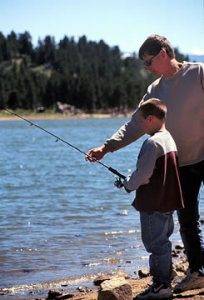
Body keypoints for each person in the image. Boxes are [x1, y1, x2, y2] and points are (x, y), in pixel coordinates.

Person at [86, 34, 204, 293]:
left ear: (163, 54)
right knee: (188, 220)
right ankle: (197, 272)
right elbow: (135, 124)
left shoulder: (199, 73)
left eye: (148, 62)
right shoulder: (155, 91)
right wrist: (107, 147)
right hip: (181, 165)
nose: (146, 68)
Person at [115, 98, 184, 299]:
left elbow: (142, 176)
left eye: (141, 121)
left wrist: (127, 184)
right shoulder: (168, 138)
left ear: (151, 119)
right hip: (167, 201)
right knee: (162, 241)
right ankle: (163, 280)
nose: (140, 125)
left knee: (155, 244)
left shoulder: (152, 143)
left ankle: (161, 286)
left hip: (154, 203)